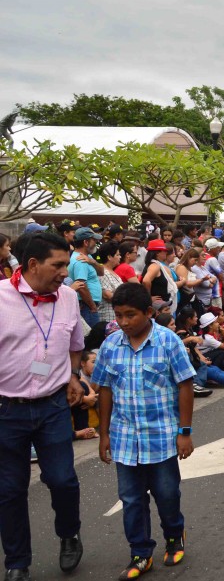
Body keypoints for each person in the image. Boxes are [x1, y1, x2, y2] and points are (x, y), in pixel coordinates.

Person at [93, 283, 195, 580]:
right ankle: (140, 552)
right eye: (120, 316)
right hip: (125, 439)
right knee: (132, 499)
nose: (124, 322)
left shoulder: (168, 342)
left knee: (166, 493)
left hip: (161, 438)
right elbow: (105, 390)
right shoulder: (111, 345)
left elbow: (185, 385)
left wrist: (184, 432)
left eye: (131, 316)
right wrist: (104, 435)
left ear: (149, 313)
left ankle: (174, 534)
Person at [0, 232, 86, 580]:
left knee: (62, 479)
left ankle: (69, 534)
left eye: (66, 263)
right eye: (59, 265)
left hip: (52, 404)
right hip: (7, 410)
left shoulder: (68, 298)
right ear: (32, 264)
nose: (65, 272)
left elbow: (75, 343)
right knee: (9, 490)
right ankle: (17, 562)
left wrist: (75, 375)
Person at [68, 227, 105, 328]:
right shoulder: (81, 260)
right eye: (94, 240)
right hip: (87, 306)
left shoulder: (87, 257)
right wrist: (92, 306)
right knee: (91, 340)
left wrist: (92, 261)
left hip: (88, 305)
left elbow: (101, 272)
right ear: (86, 242)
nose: (96, 242)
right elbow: (81, 285)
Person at [141, 240, 180, 316]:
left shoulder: (155, 264)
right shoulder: (155, 266)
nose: (166, 253)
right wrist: (148, 298)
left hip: (161, 306)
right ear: (157, 253)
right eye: (164, 251)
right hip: (158, 309)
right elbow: (146, 281)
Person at [96, 241, 124, 323]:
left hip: (116, 316)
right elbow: (107, 295)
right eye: (117, 255)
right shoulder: (103, 272)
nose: (120, 257)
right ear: (109, 257)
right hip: (108, 318)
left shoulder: (114, 272)